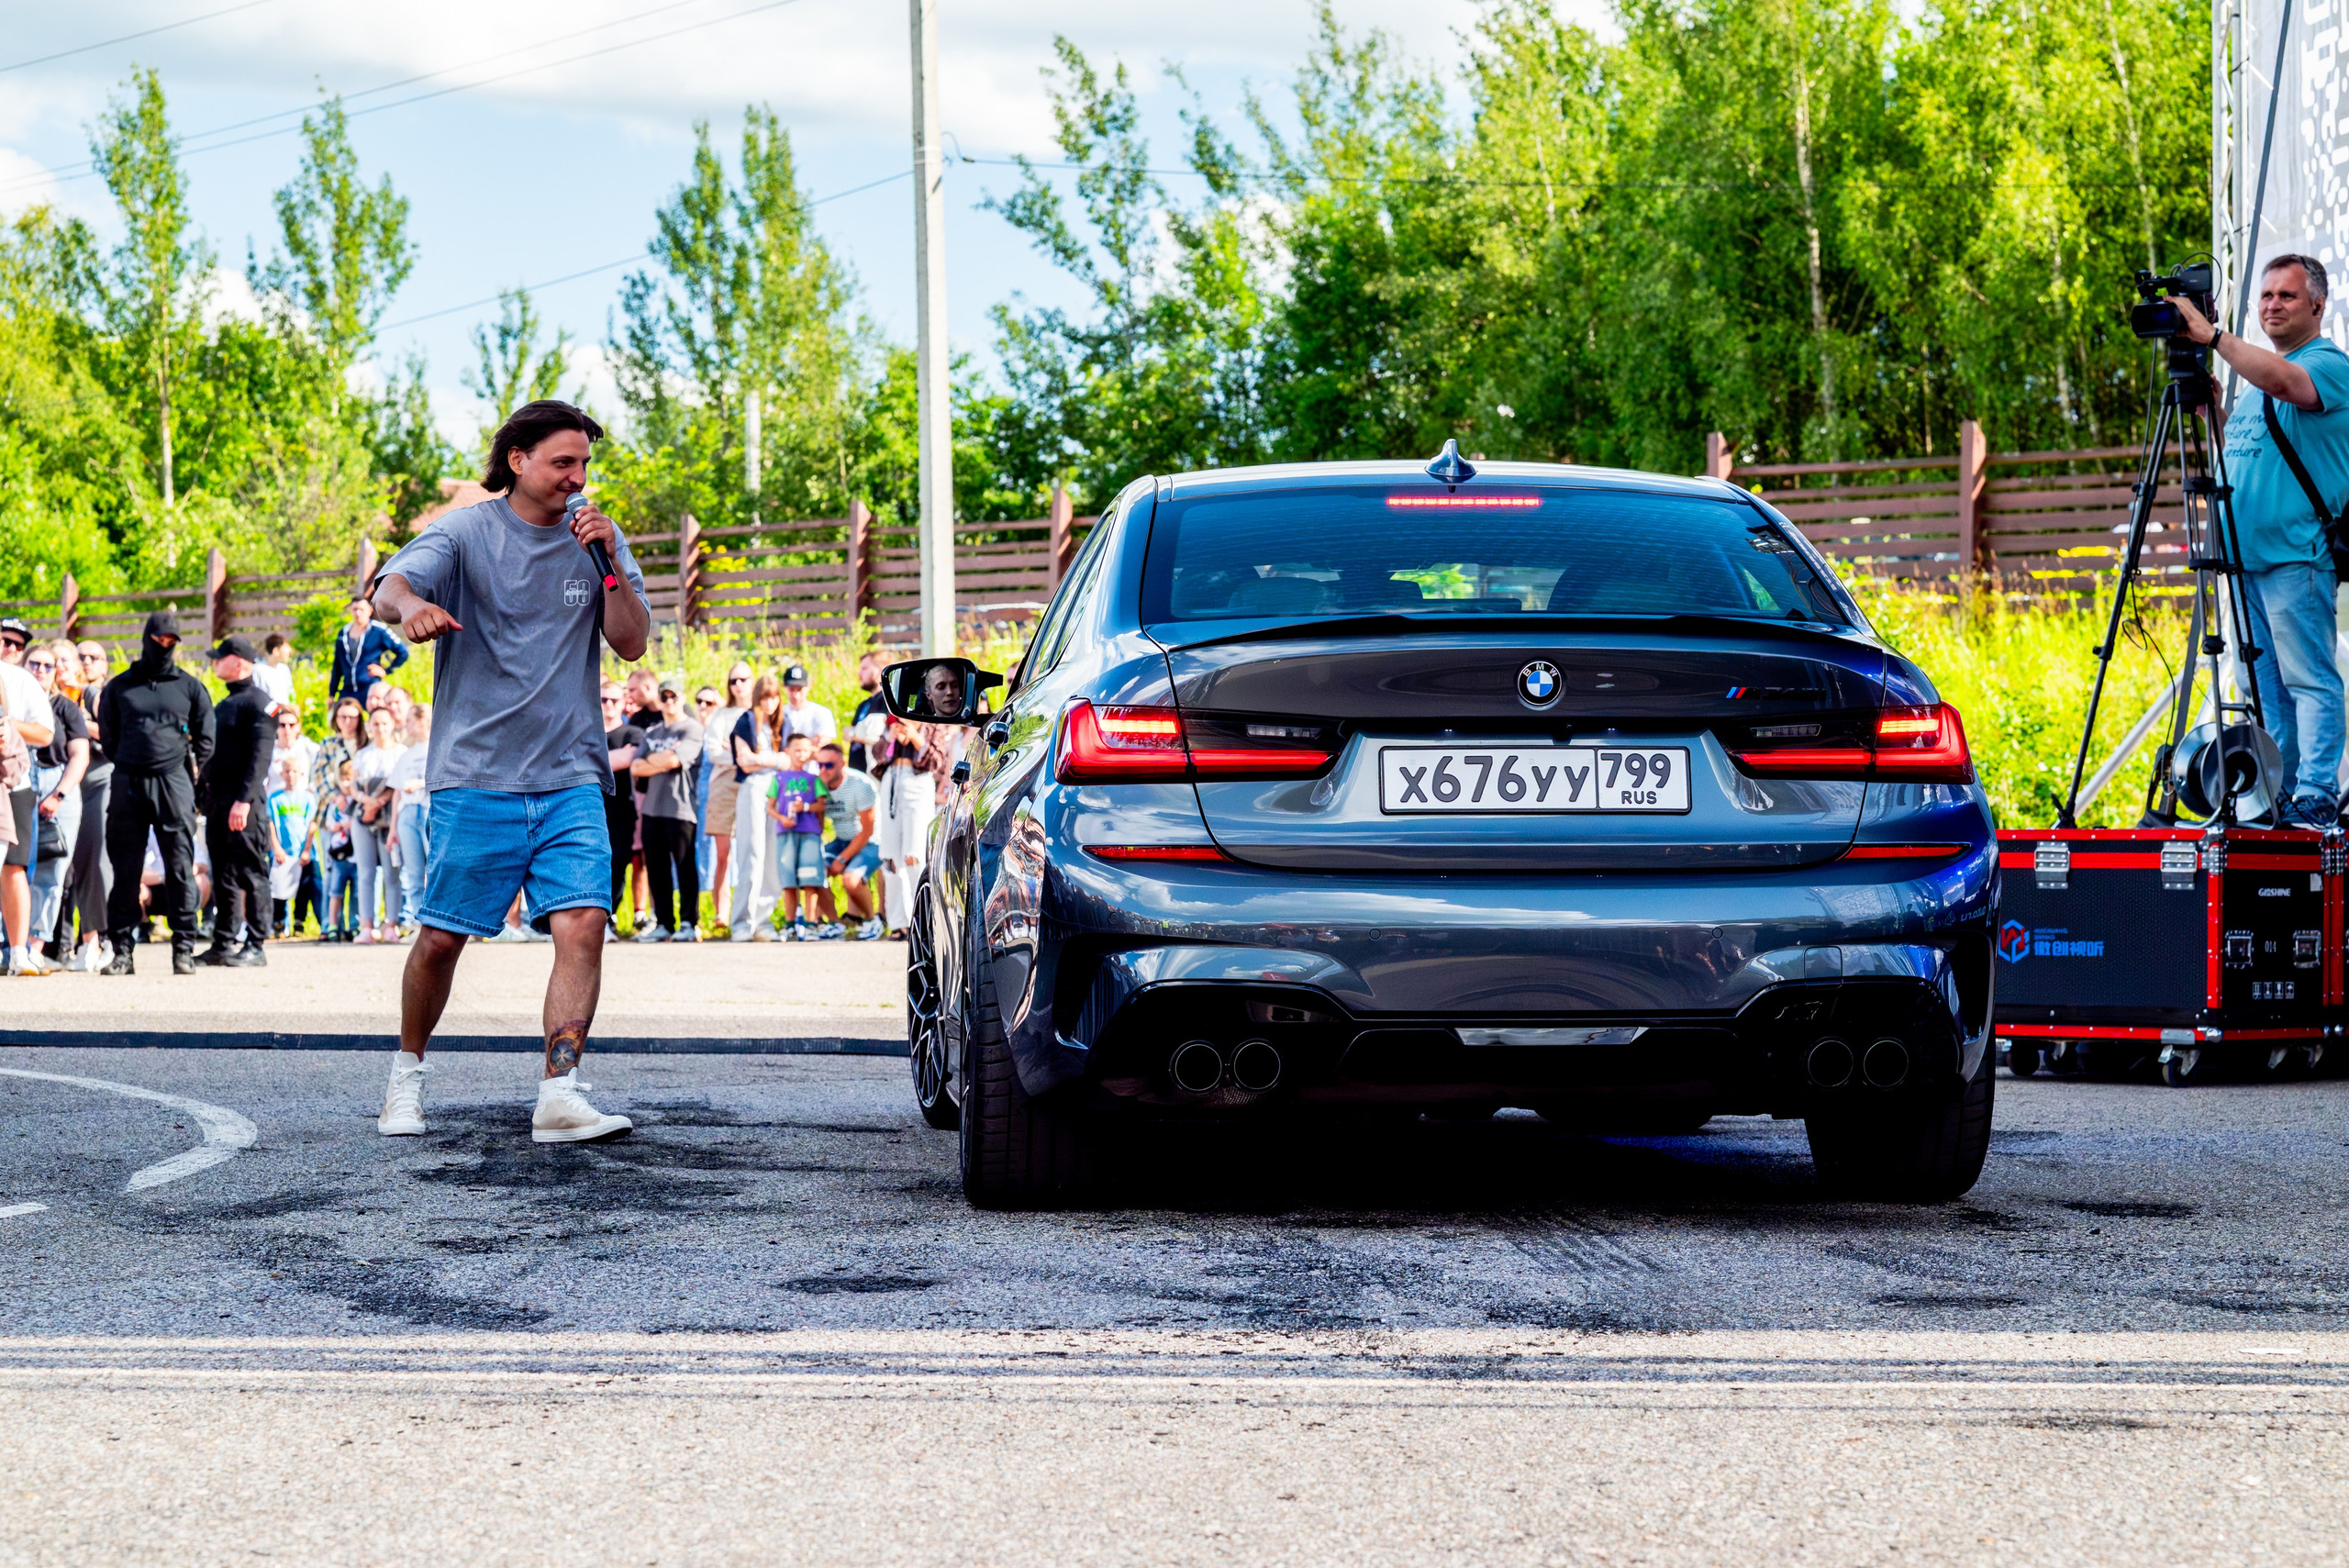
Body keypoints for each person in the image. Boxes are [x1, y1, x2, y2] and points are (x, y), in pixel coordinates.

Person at [369, 398, 651, 1143]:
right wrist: (413, 606)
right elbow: (388, 589)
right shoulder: (466, 532)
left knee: (584, 921)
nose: (577, 477)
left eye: (584, 463)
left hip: (571, 776)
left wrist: (610, 564)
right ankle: (406, 1078)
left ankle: (560, 1091)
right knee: (441, 939)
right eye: (563, 462)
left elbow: (631, 644)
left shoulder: (599, 538)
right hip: (477, 776)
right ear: (518, 460)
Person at [2181, 255, 2349, 823]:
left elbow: (2289, 385)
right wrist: (2212, 408)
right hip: (2244, 559)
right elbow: (2241, 447)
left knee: (2310, 681)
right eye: (2267, 295)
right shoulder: (2259, 380)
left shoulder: (2325, 364)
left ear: (2317, 306)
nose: (2272, 305)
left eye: (2287, 296)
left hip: (2294, 556)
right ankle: (2280, 791)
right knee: (2264, 689)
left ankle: (2316, 793)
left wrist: (2213, 337)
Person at [97, 611, 212, 976]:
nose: (164, 646)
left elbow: (206, 739)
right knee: (125, 870)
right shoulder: (119, 687)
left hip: (173, 783)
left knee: (180, 868)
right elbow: (109, 737)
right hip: (128, 781)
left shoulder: (189, 686)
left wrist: (187, 774)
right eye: (158, 640)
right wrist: (131, 761)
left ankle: (183, 950)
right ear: (147, 639)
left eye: (171, 642)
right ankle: (122, 953)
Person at [195, 636, 277, 967]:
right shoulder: (225, 703)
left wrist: (244, 801)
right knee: (224, 874)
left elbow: (261, 757)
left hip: (245, 803)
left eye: (221, 657)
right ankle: (223, 943)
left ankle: (256, 944)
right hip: (218, 801)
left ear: (240, 662)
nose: (215, 662)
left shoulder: (260, 703)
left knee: (251, 872)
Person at [25, 640, 89, 966]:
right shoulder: (12, 706)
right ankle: (9, 943)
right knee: (13, 868)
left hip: (59, 784)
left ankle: (34, 948)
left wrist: (59, 794)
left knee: (52, 871)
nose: (41, 670)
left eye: (47, 666)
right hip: (19, 782)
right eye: (34, 664)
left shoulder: (65, 707)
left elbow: (80, 755)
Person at [0, 619, 55, 975]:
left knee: (14, 865)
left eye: (19, 646)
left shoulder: (22, 680)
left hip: (13, 781)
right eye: (6, 640)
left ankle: (18, 951)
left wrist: (8, 724)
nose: (11, 649)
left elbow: (45, 733)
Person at [629, 678, 704, 942]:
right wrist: (661, 760)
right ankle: (664, 923)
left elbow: (674, 760)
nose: (669, 701)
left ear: (682, 697)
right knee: (657, 869)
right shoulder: (652, 733)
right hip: (652, 808)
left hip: (681, 807)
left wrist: (656, 760)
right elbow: (636, 767)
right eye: (665, 697)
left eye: (674, 696)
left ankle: (689, 922)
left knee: (684, 867)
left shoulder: (692, 728)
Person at [727, 673, 789, 941]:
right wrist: (774, 759)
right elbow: (744, 762)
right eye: (765, 697)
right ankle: (742, 922)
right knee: (751, 853)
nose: (770, 703)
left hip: (777, 789)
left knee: (773, 857)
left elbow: (789, 760)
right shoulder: (745, 721)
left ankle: (763, 921)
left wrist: (760, 759)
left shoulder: (783, 723)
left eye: (774, 697)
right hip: (752, 788)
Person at [876, 715, 948, 933]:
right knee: (891, 856)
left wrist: (915, 738)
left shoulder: (932, 723)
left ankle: (924, 920)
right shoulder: (893, 721)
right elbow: (877, 754)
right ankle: (899, 922)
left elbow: (937, 761)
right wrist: (891, 737)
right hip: (892, 778)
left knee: (914, 853)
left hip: (918, 781)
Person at [67, 639, 112, 972]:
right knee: (75, 865)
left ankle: (106, 940)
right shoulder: (65, 694)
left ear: (104, 665)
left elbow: (115, 735)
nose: (85, 662)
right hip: (69, 784)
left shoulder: (103, 694)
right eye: (79, 656)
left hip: (101, 778)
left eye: (93, 657)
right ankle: (83, 941)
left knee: (98, 860)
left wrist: (78, 723)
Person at [814, 740, 882, 940]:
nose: (823, 770)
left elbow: (867, 831)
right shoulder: (819, 784)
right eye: (820, 765)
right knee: (813, 871)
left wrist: (842, 859)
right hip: (841, 839)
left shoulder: (860, 785)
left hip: (870, 842)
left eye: (829, 765)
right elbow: (818, 826)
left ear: (842, 764)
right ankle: (835, 923)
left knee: (851, 880)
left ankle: (872, 922)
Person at [702, 664, 752, 917]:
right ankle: (722, 914)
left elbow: (767, 749)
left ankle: (749, 911)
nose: (738, 685)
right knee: (724, 855)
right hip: (723, 785)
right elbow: (714, 753)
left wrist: (731, 750)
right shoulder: (721, 716)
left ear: (752, 681)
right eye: (733, 681)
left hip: (753, 783)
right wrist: (744, 755)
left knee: (752, 851)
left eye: (743, 679)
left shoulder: (758, 713)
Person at [351, 707, 405, 943]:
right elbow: (353, 786)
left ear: (392, 724)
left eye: (384, 723)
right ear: (369, 726)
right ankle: (366, 926)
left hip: (389, 818)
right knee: (366, 872)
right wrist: (366, 801)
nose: (380, 728)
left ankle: (392, 924)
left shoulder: (401, 753)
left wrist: (380, 801)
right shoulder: (363, 754)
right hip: (363, 815)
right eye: (375, 723)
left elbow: (399, 785)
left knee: (391, 872)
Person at [771, 731, 829, 939]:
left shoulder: (814, 779)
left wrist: (805, 806)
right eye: (797, 750)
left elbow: (821, 805)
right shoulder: (778, 778)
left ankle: (811, 924)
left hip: (809, 832)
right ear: (787, 751)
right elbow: (770, 806)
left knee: (810, 879)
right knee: (788, 880)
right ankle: (790, 924)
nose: (801, 755)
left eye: (805, 751)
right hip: (786, 832)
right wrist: (782, 818)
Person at [599, 680, 644, 940]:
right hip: (591, 809)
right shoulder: (587, 732)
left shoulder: (632, 733)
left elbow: (628, 758)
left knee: (618, 865)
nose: (608, 704)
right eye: (603, 699)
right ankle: (596, 920)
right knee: (593, 866)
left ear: (623, 702)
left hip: (622, 810)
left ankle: (608, 917)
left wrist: (587, 762)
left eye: (613, 700)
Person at [387, 705, 432, 940]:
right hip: (406, 814)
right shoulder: (405, 754)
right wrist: (392, 828)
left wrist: (421, 784)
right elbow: (396, 792)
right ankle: (419, 924)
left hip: (429, 810)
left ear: (422, 720)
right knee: (413, 872)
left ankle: (438, 923)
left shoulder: (436, 748)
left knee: (434, 870)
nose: (407, 725)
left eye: (410, 720)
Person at [266, 746, 314, 938]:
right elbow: (271, 823)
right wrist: (276, 847)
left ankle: (299, 923)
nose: (291, 775)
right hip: (282, 853)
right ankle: (278, 923)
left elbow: (311, 825)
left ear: (301, 774)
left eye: (294, 771)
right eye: (287, 771)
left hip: (301, 851)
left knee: (303, 889)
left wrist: (307, 849)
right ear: (282, 774)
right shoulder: (275, 798)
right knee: (279, 889)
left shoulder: (308, 798)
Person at [328, 596, 407, 707]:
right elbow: (337, 665)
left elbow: (403, 653)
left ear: (369, 610)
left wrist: (386, 671)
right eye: (355, 609)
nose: (358, 613)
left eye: (361, 609)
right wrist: (332, 693)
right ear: (351, 610)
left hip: (369, 688)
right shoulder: (343, 633)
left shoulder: (379, 630)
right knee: (342, 714)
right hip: (348, 689)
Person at [317, 761, 358, 940]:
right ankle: (333, 925)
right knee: (335, 891)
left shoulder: (357, 801)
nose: (347, 783)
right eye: (344, 779)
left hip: (356, 855)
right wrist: (340, 825)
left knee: (357, 892)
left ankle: (354, 925)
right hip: (339, 855)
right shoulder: (335, 804)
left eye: (351, 779)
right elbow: (329, 824)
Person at [847, 652, 887, 773]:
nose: (859, 673)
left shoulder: (887, 701)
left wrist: (853, 734)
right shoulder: (864, 704)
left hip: (875, 773)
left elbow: (875, 735)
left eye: (864, 668)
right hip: (857, 772)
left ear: (880, 670)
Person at [780, 663, 835, 743]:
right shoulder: (780, 713)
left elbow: (823, 743)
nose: (796, 694)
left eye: (799, 689)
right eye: (791, 689)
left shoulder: (822, 713)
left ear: (809, 685)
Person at [253, 633, 296, 710]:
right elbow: (258, 698)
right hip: (268, 714)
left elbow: (290, 693)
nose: (290, 651)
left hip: (285, 713)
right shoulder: (258, 669)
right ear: (276, 651)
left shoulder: (284, 669)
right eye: (286, 647)